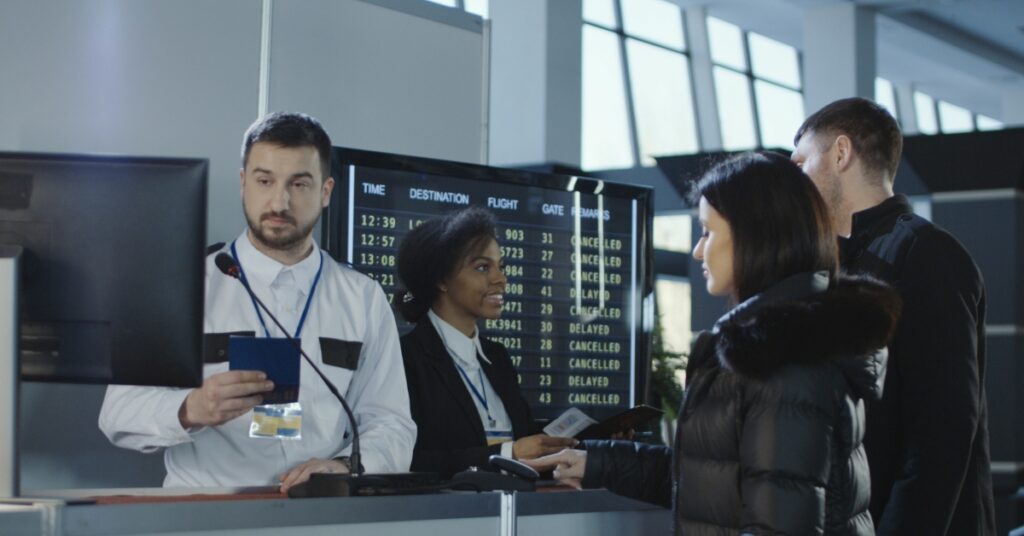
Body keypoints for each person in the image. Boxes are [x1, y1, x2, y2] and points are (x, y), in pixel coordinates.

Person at [526, 152, 901, 535]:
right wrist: (595, 462)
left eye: (707, 232)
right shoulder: (781, 343)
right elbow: (713, 481)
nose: (697, 250)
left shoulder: (785, 359)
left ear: (754, 234)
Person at [99, 112, 416, 491]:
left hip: (322, 511)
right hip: (205, 513)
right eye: (264, 180)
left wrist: (347, 465)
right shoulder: (181, 287)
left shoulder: (362, 297)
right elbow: (116, 412)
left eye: (299, 184)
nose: (279, 201)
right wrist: (190, 409)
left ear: (326, 192)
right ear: (242, 183)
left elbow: (392, 423)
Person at [791, 97, 996, 535]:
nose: (796, 182)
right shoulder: (840, 263)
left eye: (802, 162)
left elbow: (942, 431)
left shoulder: (926, 253)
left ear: (841, 153)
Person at [395, 206, 576, 479]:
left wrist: (586, 439)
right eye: (482, 268)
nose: (500, 279)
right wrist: (507, 455)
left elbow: (523, 439)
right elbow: (407, 459)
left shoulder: (497, 357)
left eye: (500, 267)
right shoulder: (405, 358)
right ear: (441, 280)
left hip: (513, 510)